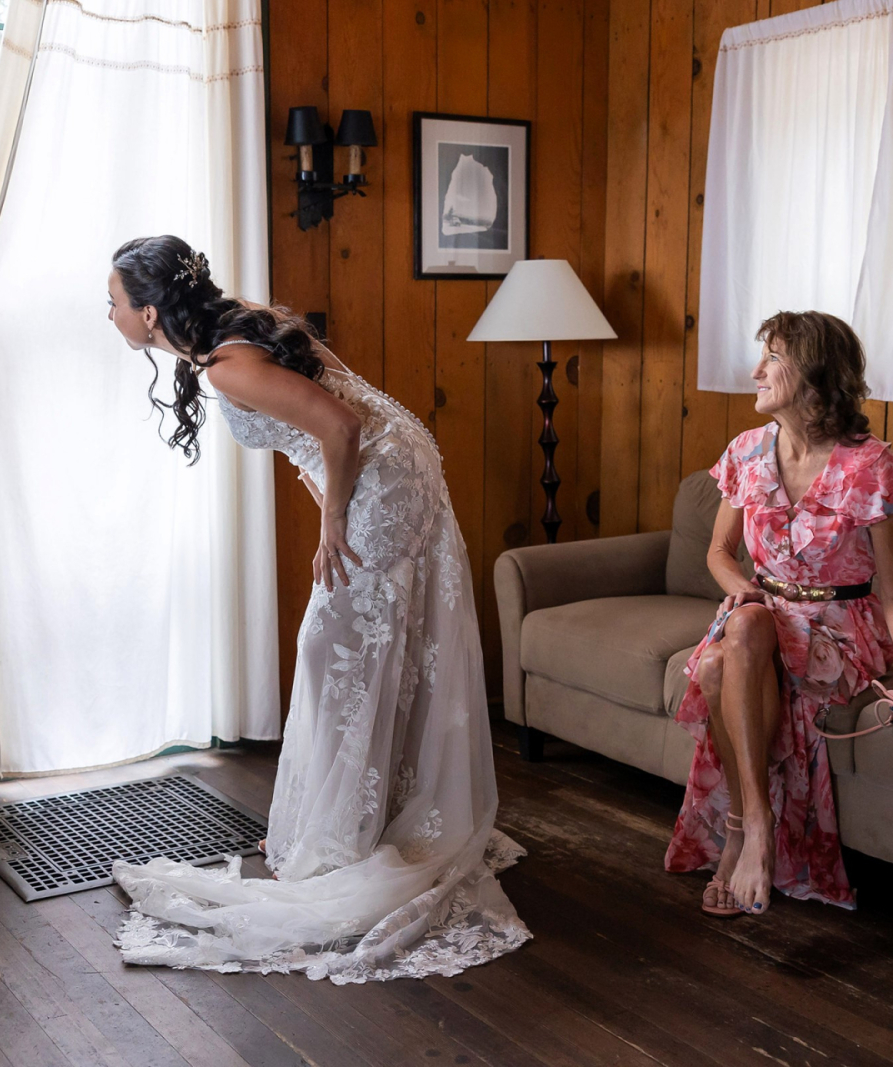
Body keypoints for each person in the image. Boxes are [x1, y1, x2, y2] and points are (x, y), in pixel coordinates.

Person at [104, 235, 529, 983]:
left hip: (383, 476)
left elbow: (341, 426)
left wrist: (333, 520)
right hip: (395, 465)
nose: (106, 314)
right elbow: (329, 429)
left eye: (111, 302)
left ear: (147, 311)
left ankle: (337, 840)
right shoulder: (233, 334)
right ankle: (347, 822)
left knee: (331, 648)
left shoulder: (230, 362)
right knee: (352, 648)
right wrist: (333, 500)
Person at [665, 311, 893, 916]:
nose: (756, 371)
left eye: (772, 360)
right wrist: (745, 590)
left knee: (716, 669)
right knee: (747, 625)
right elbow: (718, 553)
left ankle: (740, 831)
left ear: (813, 375)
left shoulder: (870, 467)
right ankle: (754, 825)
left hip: (839, 631)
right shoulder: (744, 453)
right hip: (758, 616)